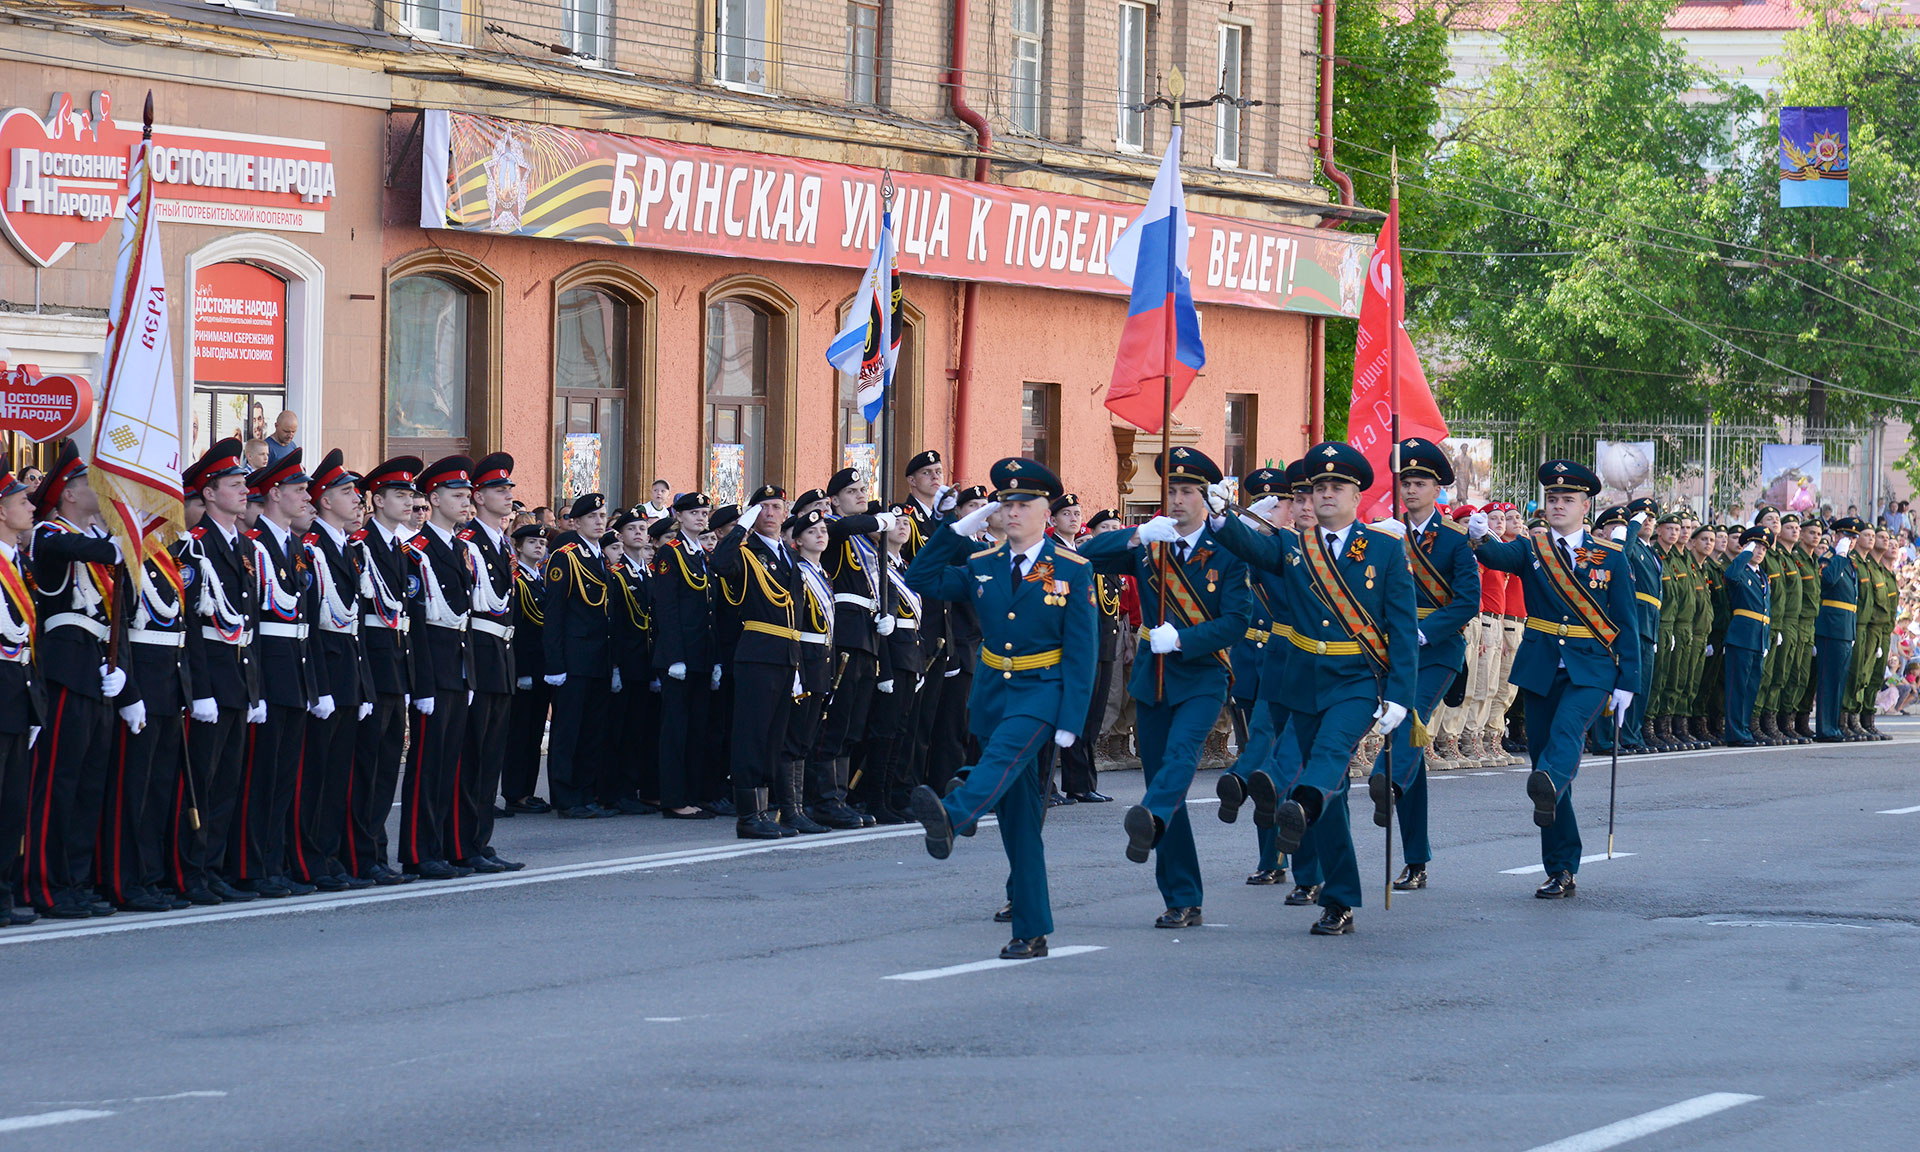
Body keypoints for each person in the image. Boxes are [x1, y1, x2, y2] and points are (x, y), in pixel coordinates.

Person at [1211, 442, 1415, 935]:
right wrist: (1219, 516)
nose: (1325, 494)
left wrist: (1401, 696)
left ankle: (1300, 804)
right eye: (1318, 486)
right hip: (1303, 681)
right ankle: (1339, 898)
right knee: (1333, 795)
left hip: (1356, 681)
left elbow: (1403, 628)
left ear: (1357, 496)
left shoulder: (1384, 549)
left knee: (1328, 757)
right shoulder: (1292, 547)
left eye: (1336, 486)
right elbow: (1252, 547)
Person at [905, 457, 1095, 961]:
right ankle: (1031, 931)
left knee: (1002, 758)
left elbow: (1082, 650)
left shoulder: (1072, 569)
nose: (1012, 512)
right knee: (1019, 820)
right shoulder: (982, 563)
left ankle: (953, 814)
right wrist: (954, 529)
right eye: (1005, 503)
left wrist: (1072, 720)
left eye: (1023, 504)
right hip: (992, 691)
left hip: (1041, 692)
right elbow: (920, 577)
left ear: (1046, 511)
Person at [1078, 447, 1251, 930]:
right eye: (1171, 491)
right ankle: (1182, 897)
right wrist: (1135, 535)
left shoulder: (1228, 550)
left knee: (1179, 759)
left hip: (1202, 674)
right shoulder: (1150, 544)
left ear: (1205, 497)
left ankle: (1149, 817)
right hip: (1152, 678)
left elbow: (1237, 620)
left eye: (1187, 491)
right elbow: (1083, 556)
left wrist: (1184, 639)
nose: (1176, 500)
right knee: (1162, 780)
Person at [1466, 460, 1641, 899]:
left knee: (1565, 736)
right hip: (1542, 667)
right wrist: (1480, 535)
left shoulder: (1609, 556)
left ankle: (1549, 787)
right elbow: (1495, 556)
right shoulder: (1532, 549)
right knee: (1545, 768)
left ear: (1585, 506)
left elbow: (1626, 621)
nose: (1558, 505)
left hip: (1592, 669)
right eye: (1552, 498)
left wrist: (1628, 681)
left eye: (1567, 499)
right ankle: (1561, 867)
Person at [1362, 438, 1481, 892]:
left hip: (1436, 650)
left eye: (1420, 483)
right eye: (1406, 482)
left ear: (1437, 489)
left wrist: (1423, 631)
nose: (1410, 490)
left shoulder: (1454, 539)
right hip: (1393, 649)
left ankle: (1385, 781)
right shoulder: (1385, 535)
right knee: (1410, 746)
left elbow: (1467, 601)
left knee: (1408, 717)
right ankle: (1416, 859)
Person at [172, 440, 261, 906]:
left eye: (244, 483)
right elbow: (190, 625)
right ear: (208, 494)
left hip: (238, 681)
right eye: (234, 484)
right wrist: (200, 690)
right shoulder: (195, 546)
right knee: (200, 782)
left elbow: (248, 622)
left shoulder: (243, 546)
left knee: (228, 781)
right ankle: (189, 871)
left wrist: (254, 689)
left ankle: (213, 866)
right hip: (210, 683)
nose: (244, 491)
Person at [287, 449, 374, 893]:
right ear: (324, 501)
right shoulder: (312, 549)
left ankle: (329, 854)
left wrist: (364, 686)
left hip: (348, 678)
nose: (357, 498)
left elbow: (355, 625)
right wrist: (318, 687)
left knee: (338, 774)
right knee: (315, 776)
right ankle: (308, 859)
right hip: (325, 678)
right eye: (347, 492)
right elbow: (313, 627)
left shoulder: (345, 548)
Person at [1212, 472, 1292, 886]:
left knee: (1280, 760)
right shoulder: (1244, 551)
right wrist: (1238, 529)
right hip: (1249, 664)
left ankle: (1288, 850)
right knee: (1260, 760)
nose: (1271, 512)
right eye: (1265, 506)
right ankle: (1270, 858)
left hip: (1287, 663)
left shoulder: (1293, 548)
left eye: (1277, 504)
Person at [401, 456, 477, 879]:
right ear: (433, 499)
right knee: (427, 766)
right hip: (434, 669)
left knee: (449, 764)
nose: (466, 502)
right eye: (458, 495)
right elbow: (418, 624)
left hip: (458, 668)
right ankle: (418, 850)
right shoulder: (418, 549)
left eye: (468, 495)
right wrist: (423, 683)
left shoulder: (460, 548)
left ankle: (444, 846)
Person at [349, 456, 424, 885]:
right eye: (399, 494)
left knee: (384, 767)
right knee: (366, 768)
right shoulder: (361, 545)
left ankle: (376, 851)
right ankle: (360, 855)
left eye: (410, 495)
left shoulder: (398, 548)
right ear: (376, 500)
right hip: (373, 671)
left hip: (395, 669)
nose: (408, 502)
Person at [710, 485, 801, 839]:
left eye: (776, 506)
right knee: (752, 734)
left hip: (786, 654)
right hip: (758, 654)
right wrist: (740, 528)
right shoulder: (746, 553)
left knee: (773, 738)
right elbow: (719, 563)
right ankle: (748, 816)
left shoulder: (788, 554)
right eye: (763, 507)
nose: (770, 513)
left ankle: (764, 812)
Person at [809, 470, 894, 827]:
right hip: (845, 634)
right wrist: (878, 520)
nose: (861, 495)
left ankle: (840, 797)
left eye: (863, 490)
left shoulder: (864, 542)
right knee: (835, 720)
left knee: (853, 725)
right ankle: (824, 799)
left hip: (866, 634)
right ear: (833, 500)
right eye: (851, 491)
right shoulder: (834, 529)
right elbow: (842, 527)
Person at [454, 453, 522, 871]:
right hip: (479, 654)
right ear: (478, 497)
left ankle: (480, 840)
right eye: (499, 490)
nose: (508, 496)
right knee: (473, 756)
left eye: (509, 489)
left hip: (501, 655)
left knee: (491, 755)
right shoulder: (469, 542)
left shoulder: (499, 542)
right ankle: (464, 843)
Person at [542, 493, 614, 819]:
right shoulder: (566, 557)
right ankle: (565, 797)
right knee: (568, 731)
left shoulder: (600, 557)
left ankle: (585, 793)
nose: (599, 522)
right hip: (574, 658)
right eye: (592, 517)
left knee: (592, 730)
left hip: (598, 657)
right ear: (576, 523)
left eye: (602, 516)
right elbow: (554, 614)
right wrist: (555, 664)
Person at [652, 491, 722, 820]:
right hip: (679, 657)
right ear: (678, 516)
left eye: (704, 513)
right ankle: (674, 798)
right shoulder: (671, 553)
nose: (700, 518)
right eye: (693, 513)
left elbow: (709, 610)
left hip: (702, 654)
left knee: (698, 729)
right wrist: (675, 657)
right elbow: (666, 608)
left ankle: (694, 794)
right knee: (676, 730)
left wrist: (715, 658)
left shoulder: (701, 555)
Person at [0, 467, 44, 926]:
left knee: (12, 803)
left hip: (19, 692)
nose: (32, 506)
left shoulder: (20, 564)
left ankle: (3, 893)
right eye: (22, 501)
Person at [503, 522, 554, 814]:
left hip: (543, 666)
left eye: (542, 543)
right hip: (525, 667)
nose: (539, 547)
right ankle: (515, 792)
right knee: (520, 732)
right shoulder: (517, 580)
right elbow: (518, 628)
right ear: (518, 547)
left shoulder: (541, 579)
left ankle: (528, 791)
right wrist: (521, 670)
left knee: (534, 733)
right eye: (533, 542)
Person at [1722, 526, 1773, 747]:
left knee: (1751, 687)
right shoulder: (1740, 570)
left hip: (1758, 637)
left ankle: (1743, 728)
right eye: (1756, 546)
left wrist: (1766, 639)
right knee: (1738, 687)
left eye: (1763, 548)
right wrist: (1745, 554)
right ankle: (1735, 732)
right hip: (1741, 636)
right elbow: (1730, 576)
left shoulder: (1762, 576)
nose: (1759, 551)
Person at [1813, 517, 1863, 741]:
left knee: (1839, 680)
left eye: (1853, 538)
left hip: (1845, 627)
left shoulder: (1849, 563)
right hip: (1831, 627)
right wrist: (1840, 554)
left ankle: (1833, 726)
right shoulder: (1829, 559)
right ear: (1836, 537)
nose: (1850, 541)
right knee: (1828, 680)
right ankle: (1825, 728)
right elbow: (1830, 581)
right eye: (1846, 536)